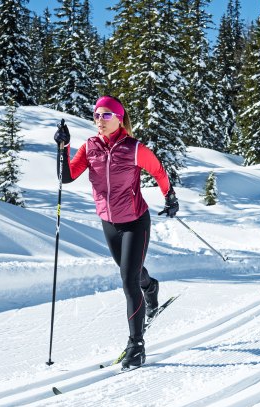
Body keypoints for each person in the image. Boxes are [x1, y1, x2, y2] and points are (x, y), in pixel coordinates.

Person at [53, 95, 179, 370]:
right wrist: (63, 147)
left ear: (119, 118)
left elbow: (158, 170)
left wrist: (170, 198)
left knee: (127, 280)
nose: (100, 120)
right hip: (109, 222)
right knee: (131, 272)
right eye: (97, 115)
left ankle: (137, 345)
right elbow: (65, 177)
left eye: (106, 115)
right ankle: (151, 286)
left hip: (135, 221)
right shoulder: (89, 147)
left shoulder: (134, 148)